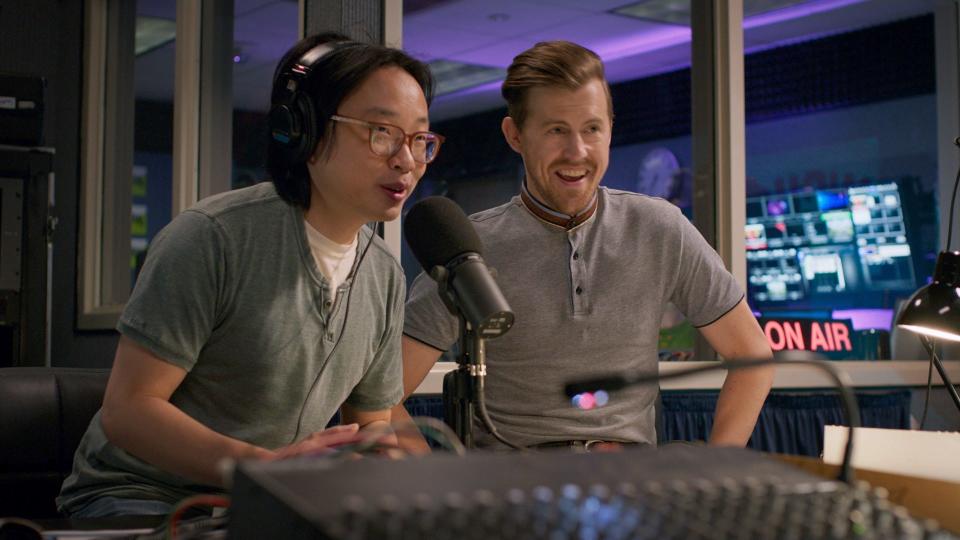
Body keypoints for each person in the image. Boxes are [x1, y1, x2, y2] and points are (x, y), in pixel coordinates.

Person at [58, 33, 443, 516]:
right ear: (304, 131)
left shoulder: (383, 275)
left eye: (420, 139)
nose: (406, 160)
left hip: (273, 505)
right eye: (381, 132)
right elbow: (129, 411)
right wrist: (262, 471)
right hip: (141, 498)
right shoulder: (213, 238)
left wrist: (432, 494)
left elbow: (371, 426)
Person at [394, 40, 773, 451]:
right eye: (556, 130)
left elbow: (751, 356)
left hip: (632, 489)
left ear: (610, 128)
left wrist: (717, 465)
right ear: (515, 135)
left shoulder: (660, 227)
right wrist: (434, 476)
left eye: (592, 129)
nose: (577, 152)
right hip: (514, 494)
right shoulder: (470, 246)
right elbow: (378, 398)